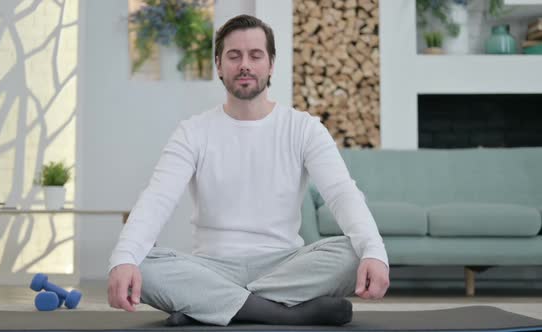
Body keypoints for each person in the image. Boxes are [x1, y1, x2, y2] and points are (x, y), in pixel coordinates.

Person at [107, 14, 389, 327]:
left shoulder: (304, 128)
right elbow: (157, 198)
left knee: (354, 253)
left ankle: (208, 306)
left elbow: (341, 193)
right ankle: (285, 313)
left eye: (255, 56)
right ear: (218, 64)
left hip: (285, 266)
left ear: (270, 64)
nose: (245, 65)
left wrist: (374, 252)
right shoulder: (193, 132)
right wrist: (123, 259)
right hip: (210, 266)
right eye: (234, 56)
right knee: (142, 263)